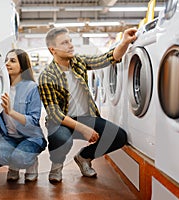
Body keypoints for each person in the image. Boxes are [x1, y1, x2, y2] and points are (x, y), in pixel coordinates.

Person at [38, 27, 137, 183]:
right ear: (53, 50)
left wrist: (124, 41)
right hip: (61, 122)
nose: (70, 45)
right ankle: (56, 165)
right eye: (64, 43)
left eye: (70, 41)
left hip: (85, 117)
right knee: (61, 138)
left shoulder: (78, 62)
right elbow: (55, 114)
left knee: (119, 137)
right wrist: (83, 128)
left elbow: (108, 58)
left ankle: (84, 157)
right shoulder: (47, 76)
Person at [0, 49, 47, 182]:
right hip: (9, 137)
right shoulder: (0, 87)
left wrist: (11, 112)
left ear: (22, 66)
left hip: (30, 137)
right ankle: (14, 165)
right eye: (6, 60)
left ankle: (30, 162)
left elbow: (33, 120)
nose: (7, 63)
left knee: (20, 157)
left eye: (13, 61)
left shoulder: (32, 88)